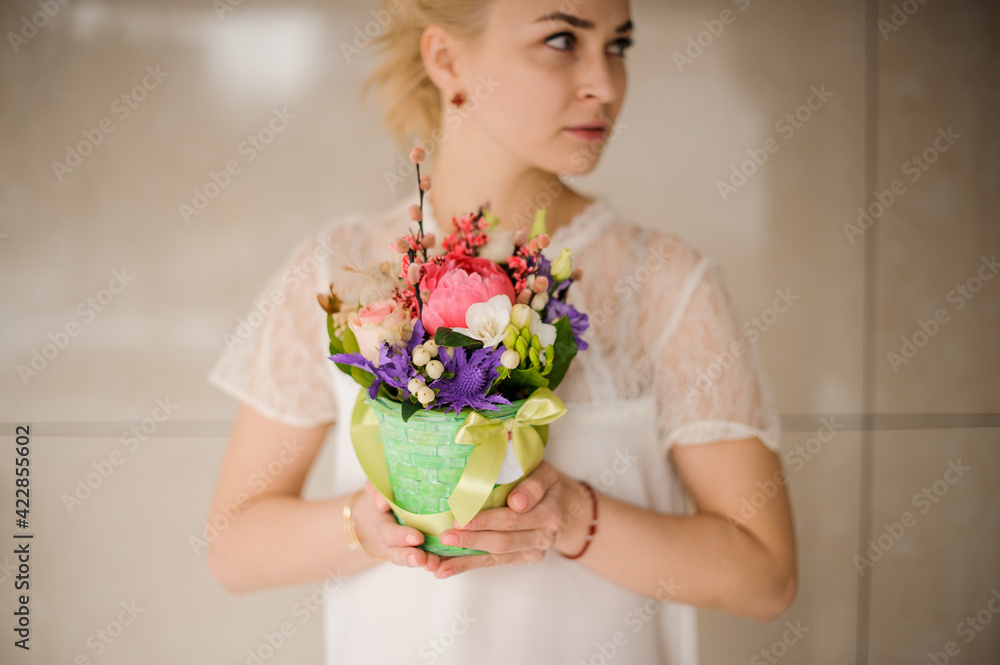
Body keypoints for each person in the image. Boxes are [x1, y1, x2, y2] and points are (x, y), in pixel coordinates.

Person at [205, 0, 797, 663]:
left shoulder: (664, 282)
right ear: (447, 58)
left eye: (618, 45)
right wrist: (366, 527)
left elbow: (765, 575)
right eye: (562, 39)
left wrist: (575, 519)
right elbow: (234, 546)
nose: (605, 82)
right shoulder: (341, 272)